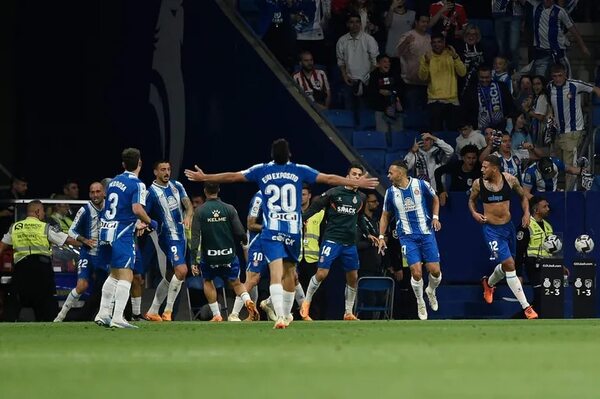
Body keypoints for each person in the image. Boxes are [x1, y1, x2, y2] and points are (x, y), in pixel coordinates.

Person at [184, 138, 378, 328]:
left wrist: (205, 177)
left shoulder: (262, 169)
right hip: (293, 230)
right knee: (290, 274)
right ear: (290, 154)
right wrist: (356, 182)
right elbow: (328, 178)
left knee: (276, 273)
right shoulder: (299, 169)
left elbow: (233, 176)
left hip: (272, 229)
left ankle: (280, 317)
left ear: (271, 155)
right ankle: (283, 316)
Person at [300, 163, 378, 321]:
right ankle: (305, 304)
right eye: (353, 174)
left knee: (353, 276)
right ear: (347, 176)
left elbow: (360, 217)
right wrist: (302, 219)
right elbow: (315, 206)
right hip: (332, 240)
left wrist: (368, 233)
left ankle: (348, 312)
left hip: (349, 244)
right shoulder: (334, 193)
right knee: (322, 273)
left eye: (359, 175)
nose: (356, 177)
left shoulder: (361, 197)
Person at [468, 155, 538, 319]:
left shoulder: (510, 180)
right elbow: (471, 201)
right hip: (491, 230)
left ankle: (489, 283)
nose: (482, 170)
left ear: (495, 168)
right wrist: (474, 213)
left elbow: (523, 197)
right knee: (509, 264)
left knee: (507, 265)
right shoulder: (479, 184)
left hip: (508, 228)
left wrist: (527, 213)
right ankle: (527, 307)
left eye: (485, 167)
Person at [94, 148, 157, 329]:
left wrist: (135, 222)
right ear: (140, 163)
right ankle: (118, 317)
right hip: (122, 233)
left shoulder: (113, 182)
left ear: (123, 164)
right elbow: (137, 208)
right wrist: (150, 222)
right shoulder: (138, 184)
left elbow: (113, 207)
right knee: (127, 275)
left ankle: (103, 313)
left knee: (114, 274)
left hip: (107, 230)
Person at [377, 160, 443, 320]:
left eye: (391, 172)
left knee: (435, 271)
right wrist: (381, 236)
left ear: (400, 173)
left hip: (426, 233)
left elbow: (435, 199)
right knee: (416, 272)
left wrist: (435, 217)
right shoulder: (390, 192)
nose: (388, 175)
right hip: (407, 237)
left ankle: (431, 291)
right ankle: (420, 301)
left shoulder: (421, 185)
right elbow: (385, 215)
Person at [0, 200, 81, 321]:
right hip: (42, 270)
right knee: (47, 305)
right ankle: (49, 329)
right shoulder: (45, 227)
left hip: (21, 270)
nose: (44, 214)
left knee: (14, 301)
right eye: (43, 211)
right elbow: (67, 240)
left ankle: (7, 326)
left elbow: (1, 247)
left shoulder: (15, 227)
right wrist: (86, 243)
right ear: (37, 211)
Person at [189, 182, 258, 322]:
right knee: (236, 283)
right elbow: (240, 231)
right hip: (228, 255)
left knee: (208, 281)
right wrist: (244, 242)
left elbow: (195, 237)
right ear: (218, 190)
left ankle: (217, 315)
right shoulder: (229, 208)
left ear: (205, 191)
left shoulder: (200, 211)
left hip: (210, 257)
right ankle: (248, 301)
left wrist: (193, 261)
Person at [143, 161, 194, 322]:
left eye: (169, 169)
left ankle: (152, 311)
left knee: (169, 275)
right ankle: (168, 311)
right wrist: (146, 223)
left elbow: (188, 205)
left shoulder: (177, 185)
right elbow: (144, 213)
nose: (167, 172)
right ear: (155, 172)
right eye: (163, 170)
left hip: (181, 236)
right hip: (167, 236)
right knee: (182, 270)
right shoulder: (151, 192)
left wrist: (188, 215)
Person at [54, 182, 109, 322]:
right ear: (89, 194)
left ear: (104, 193)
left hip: (104, 254)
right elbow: (72, 231)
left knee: (108, 287)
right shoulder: (85, 210)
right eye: (92, 192)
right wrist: (84, 240)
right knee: (82, 286)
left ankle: (106, 316)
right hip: (87, 253)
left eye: (98, 191)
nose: (95, 195)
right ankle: (61, 316)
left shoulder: (110, 209)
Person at [546, 63, 600, 190]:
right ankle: (555, 192)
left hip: (573, 131)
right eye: (555, 76)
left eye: (560, 75)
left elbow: (595, 89)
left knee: (571, 167)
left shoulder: (574, 85)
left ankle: (570, 196)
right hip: (558, 133)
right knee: (556, 164)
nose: (558, 78)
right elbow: (549, 105)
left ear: (565, 75)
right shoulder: (549, 87)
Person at [515, 195, 563, 312]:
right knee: (540, 295)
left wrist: (560, 266)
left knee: (545, 298)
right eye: (544, 206)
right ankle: (519, 319)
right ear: (536, 210)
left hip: (548, 265)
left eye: (548, 206)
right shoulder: (526, 225)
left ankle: (530, 317)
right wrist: (518, 274)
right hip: (533, 264)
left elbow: (552, 249)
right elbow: (519, 251)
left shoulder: (548, 226)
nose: (548, 209)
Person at [524, 0, 590, 78]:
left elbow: (573, 29)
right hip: (541, 54)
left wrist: (583, 47)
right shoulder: (535, 7)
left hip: (558, 54)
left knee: (565, 81)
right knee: (539, 81)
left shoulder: (560, 11)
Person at [418, 33, 466, 131]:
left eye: (439, 42)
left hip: (452, 100)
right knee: (436, 133)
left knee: (453, 133)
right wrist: (427, 62)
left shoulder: (451, 55)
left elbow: (462, 73)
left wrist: (456, 57)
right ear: (431, 44)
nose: (437, 45)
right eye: (434, 43)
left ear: (444, 42)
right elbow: (423, 77)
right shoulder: (426, 57)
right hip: (435, 101)